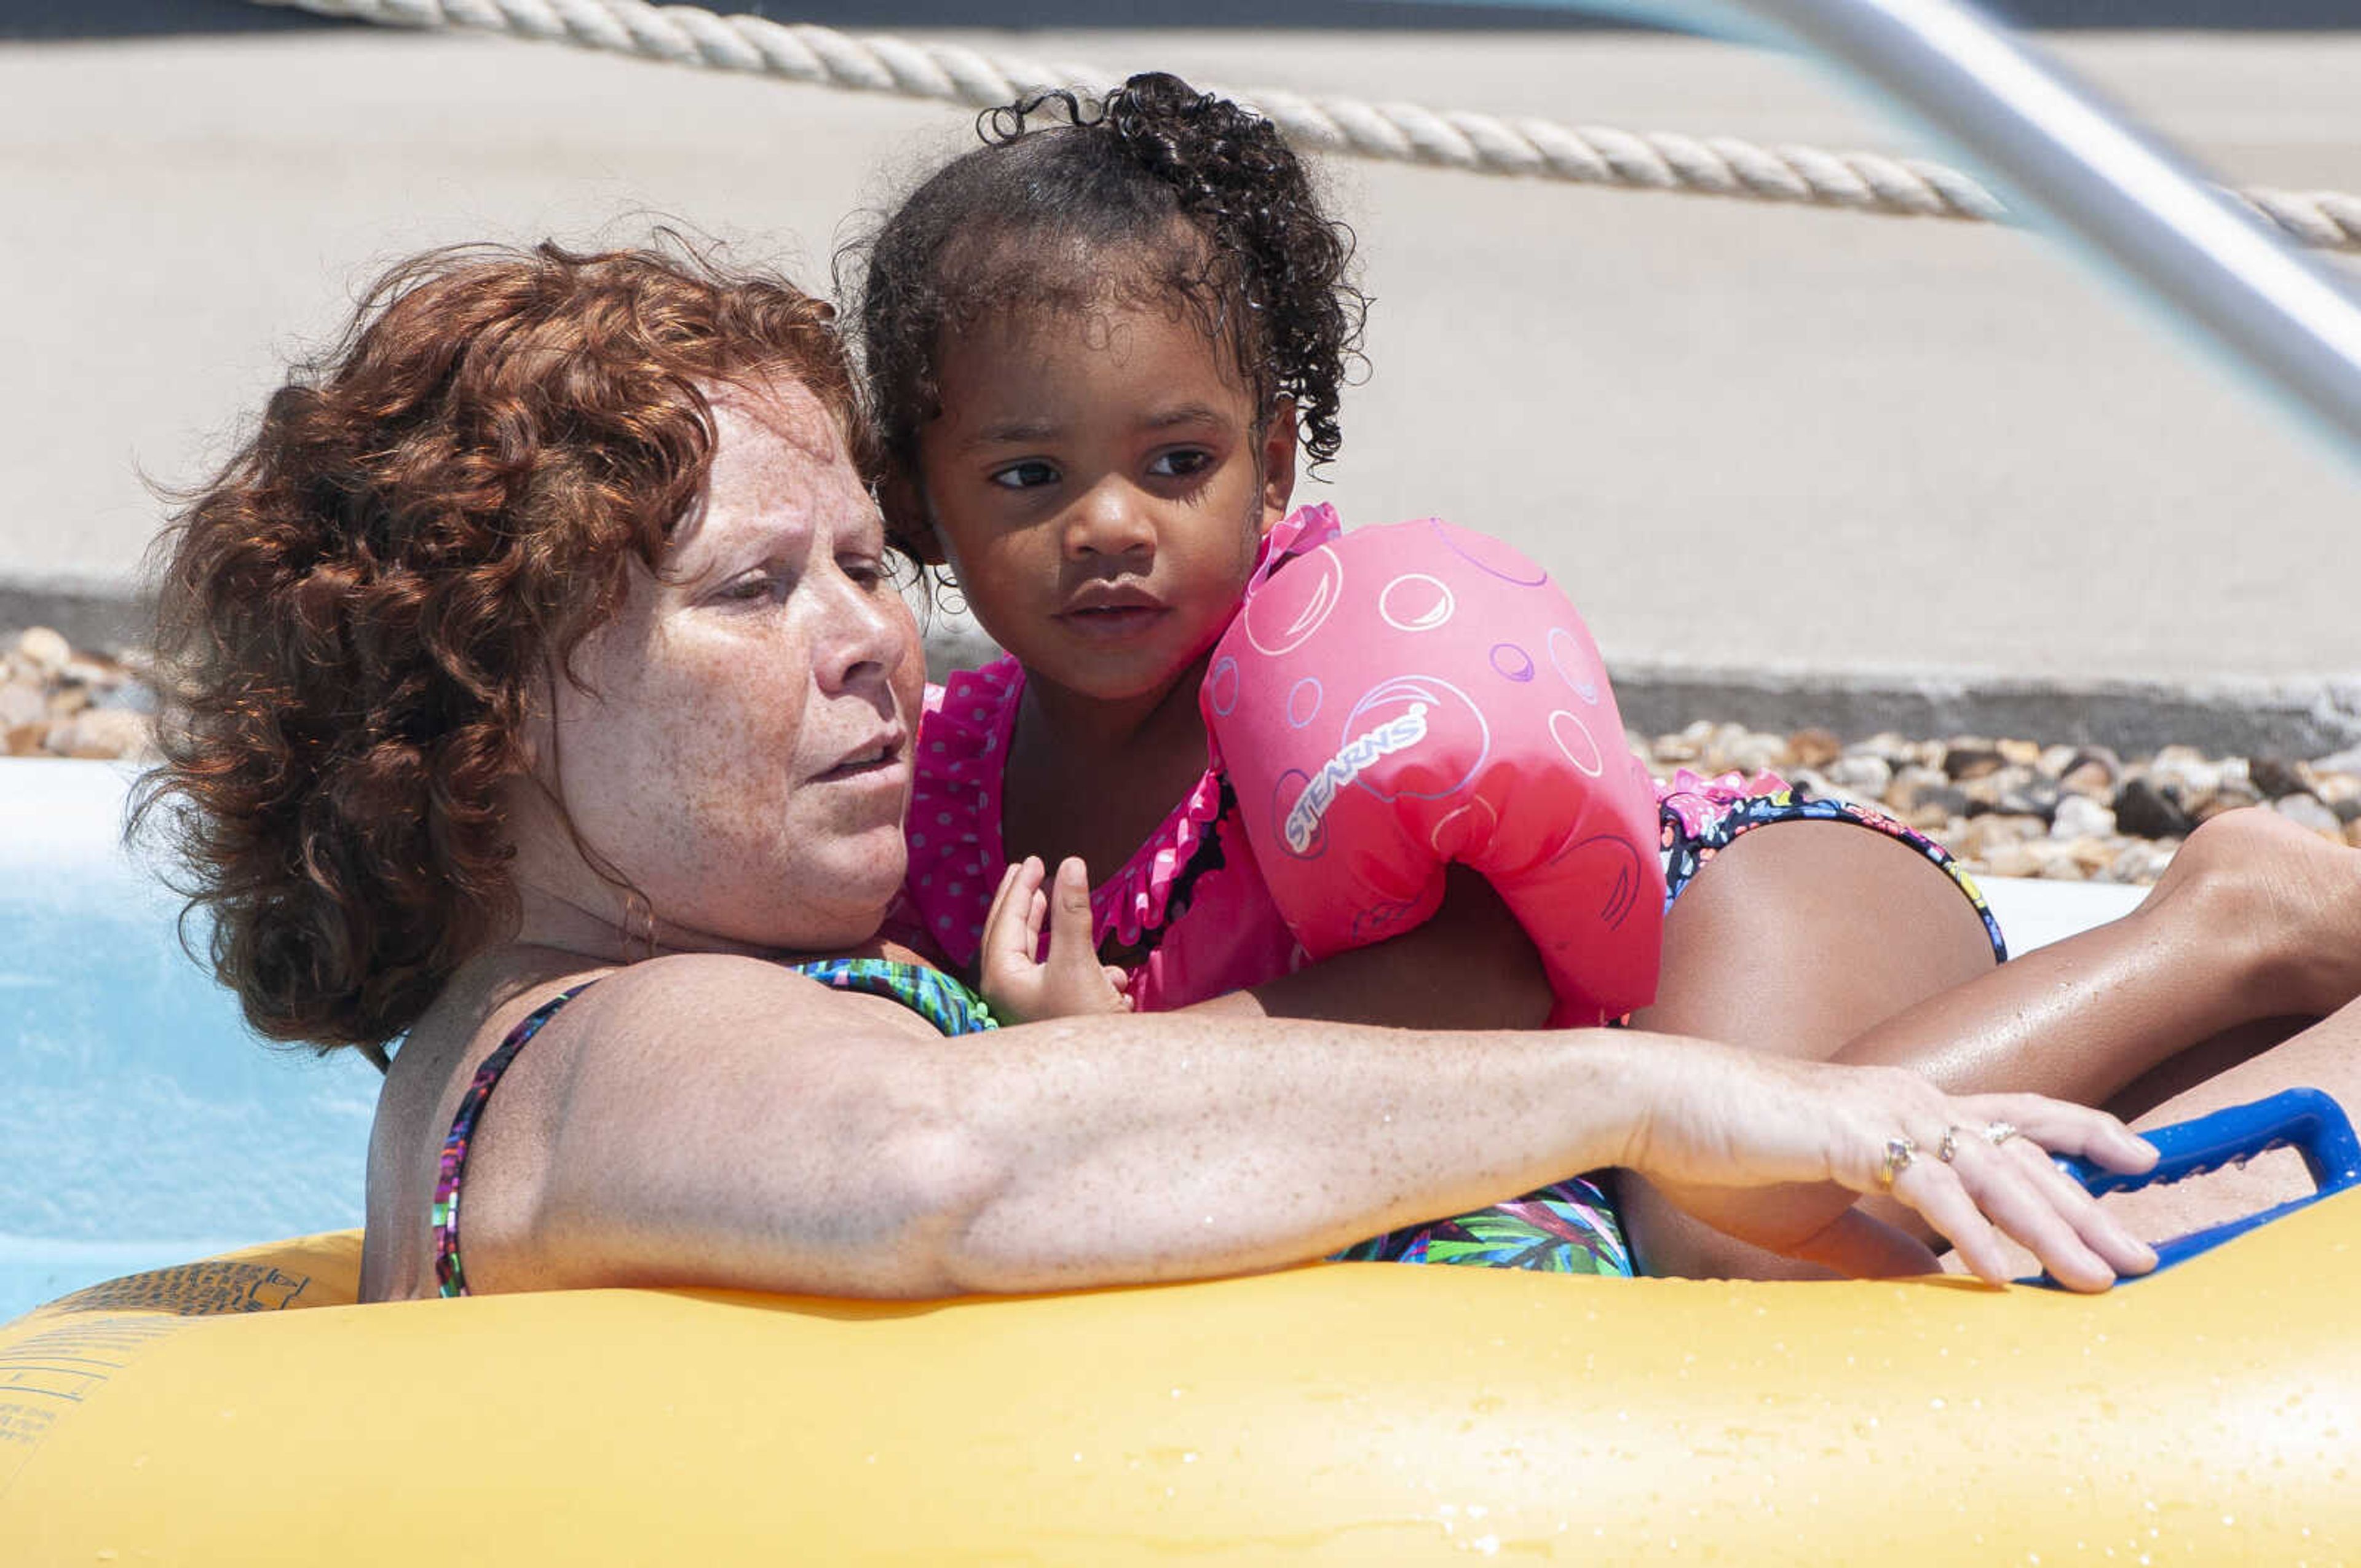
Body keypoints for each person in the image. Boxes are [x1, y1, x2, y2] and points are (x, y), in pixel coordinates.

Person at [133, 238, 2172, 1305]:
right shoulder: (595, 1041)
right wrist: (1664, 1085)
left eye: (867, 562)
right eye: (752, 589)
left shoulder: (548, 1043)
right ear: (473, 705)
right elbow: (941, 1160)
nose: (868, 636)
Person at [853, 73, 2361, 1275]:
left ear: (1275, 465)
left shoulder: (1308, 686)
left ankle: (2237, 913)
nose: (1112, 524)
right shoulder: (940, 779)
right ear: (919, 499)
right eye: (1030, 473)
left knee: (1723, 1218)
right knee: (1768, 1189)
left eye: (1178, 462)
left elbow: (1487, 984)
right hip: (1668, 1045)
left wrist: (1117, 1071)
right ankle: (2246, 1023)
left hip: (1723, 895)